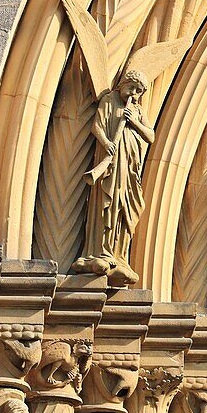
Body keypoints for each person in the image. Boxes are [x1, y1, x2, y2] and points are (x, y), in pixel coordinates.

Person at [73, 70, 155, 285]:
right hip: (111, 162)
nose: (133, 94)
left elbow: (151, 136)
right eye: (131, 88)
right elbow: (96, 126)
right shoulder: (109, 100)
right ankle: (100, 251)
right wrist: (106, 143)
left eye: (139, 91)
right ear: (121, 85)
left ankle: (119, 254)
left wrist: (134, 122)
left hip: (129, 166)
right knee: (108, 204)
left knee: (126, 207)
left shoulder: (136, 110)